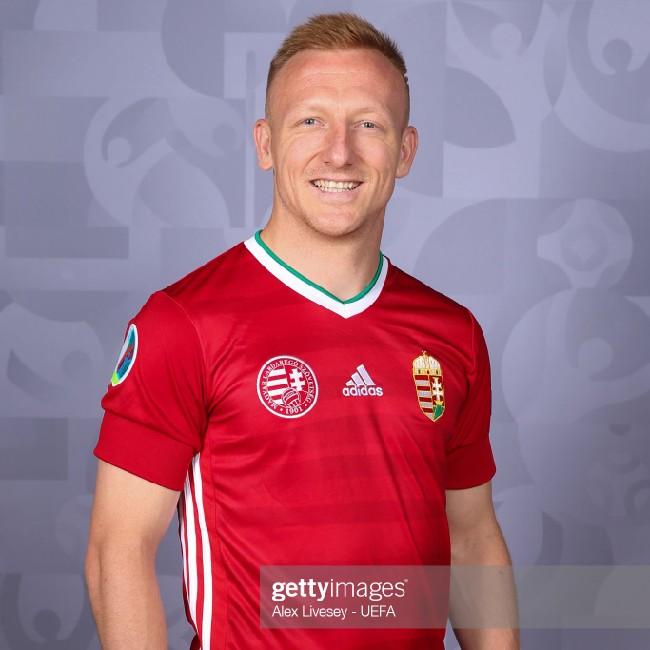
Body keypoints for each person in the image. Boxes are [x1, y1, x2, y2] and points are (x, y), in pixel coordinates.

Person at [85, 11, 519, 650]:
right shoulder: (184, 323)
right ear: (265, 144)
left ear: (405, 151)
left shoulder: (451, 333)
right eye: (310, 121)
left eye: (368, 124)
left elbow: (471, 536)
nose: (339, 152)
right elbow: (117, 549)